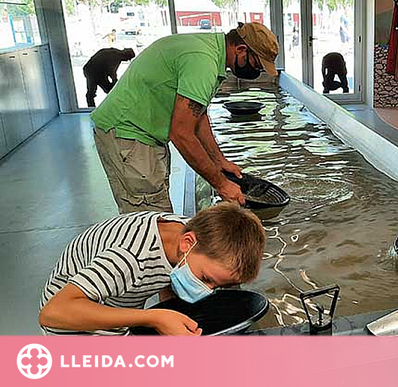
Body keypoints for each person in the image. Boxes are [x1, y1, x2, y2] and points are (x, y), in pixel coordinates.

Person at [91, 22, 278, 214]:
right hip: (128, 134)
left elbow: (198, 115)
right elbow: (181, 134)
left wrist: (219, 160)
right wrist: (222, 184)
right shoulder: (203, 61)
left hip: (144, 132)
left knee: (158, 205)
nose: (256, 72)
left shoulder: (209, 50)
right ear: (240, 49)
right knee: (152, 219)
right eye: (256, 64)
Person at [38, 202, 266, 336]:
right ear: (188, 243)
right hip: (73, 318)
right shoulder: (129, 258)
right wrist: (153, 317)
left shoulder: (189, 234)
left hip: (116, 298)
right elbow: (53, 313)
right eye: (206, 278)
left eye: (218, 286)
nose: (207, 291)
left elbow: (166, 277)